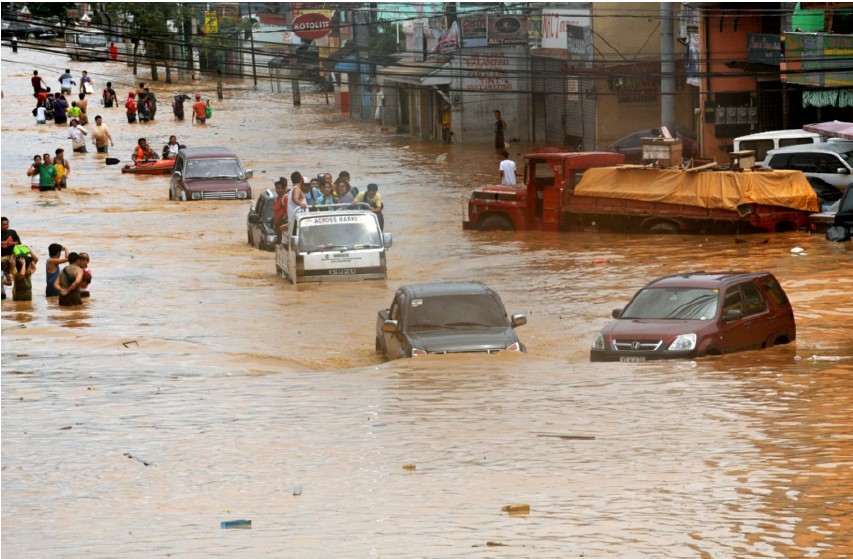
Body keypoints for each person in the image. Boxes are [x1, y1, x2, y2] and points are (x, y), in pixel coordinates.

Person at [1, 217, 22, 299]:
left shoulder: (12, 232)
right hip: (1, 257)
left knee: (17, 276)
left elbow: (19, 242)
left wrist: (11, 243)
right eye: (3, 225)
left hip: (12, 255)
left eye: (7, 224)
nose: (6, 226)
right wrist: (3, 242)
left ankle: (16, 291)